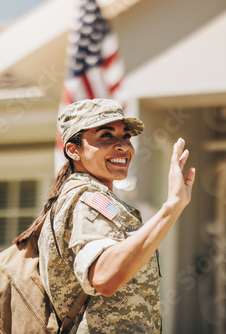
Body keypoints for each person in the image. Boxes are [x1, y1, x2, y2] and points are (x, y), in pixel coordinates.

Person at [14, 98, 195, 333]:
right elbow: (103, 277)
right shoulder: (88, 199)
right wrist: (171, 208)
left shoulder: (88, 196)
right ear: (73, 150)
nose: (123, 146)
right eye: (106, 135)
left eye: (126, 136)